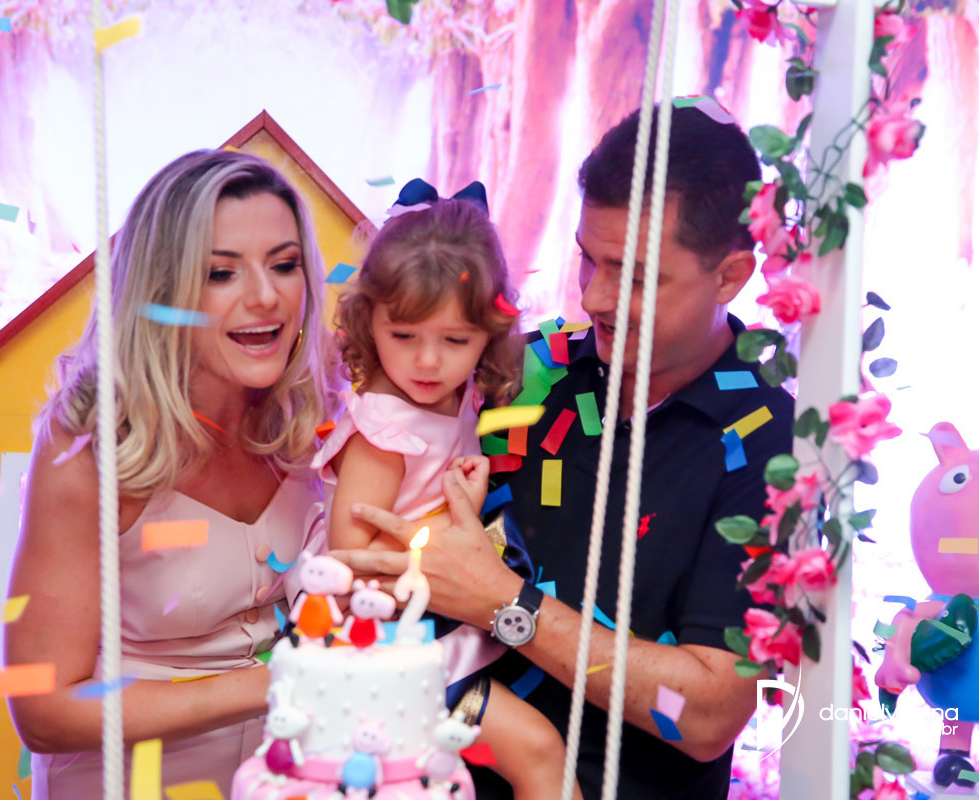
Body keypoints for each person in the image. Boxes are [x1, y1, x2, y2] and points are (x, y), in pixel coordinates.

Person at [330, 101, 795, 799]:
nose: (595, 296)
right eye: (587, 259)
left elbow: (706, 716)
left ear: (730, 276)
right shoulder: (516, 371)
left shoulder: (775, 445)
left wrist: (503, 602)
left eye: (632, 276)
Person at [6, 149, 341, 799]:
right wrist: (277, 684)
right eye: (221, 273)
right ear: (161, 291)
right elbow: (42, 710)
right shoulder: (88, 445)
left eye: (284, 264)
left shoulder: (319, 407)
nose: (265, 296)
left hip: (287, 773)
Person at [318, 180, 583, 800]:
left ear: (490, 332)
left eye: (454, 340)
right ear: (369, 321)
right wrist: (442, 534)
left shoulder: (454, 397)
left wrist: (463, 493)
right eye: (404, 336)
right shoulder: (386, 431)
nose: (428, 362)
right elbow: (348, 565)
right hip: (389, 651)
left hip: (442, 625)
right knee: (539, 752)